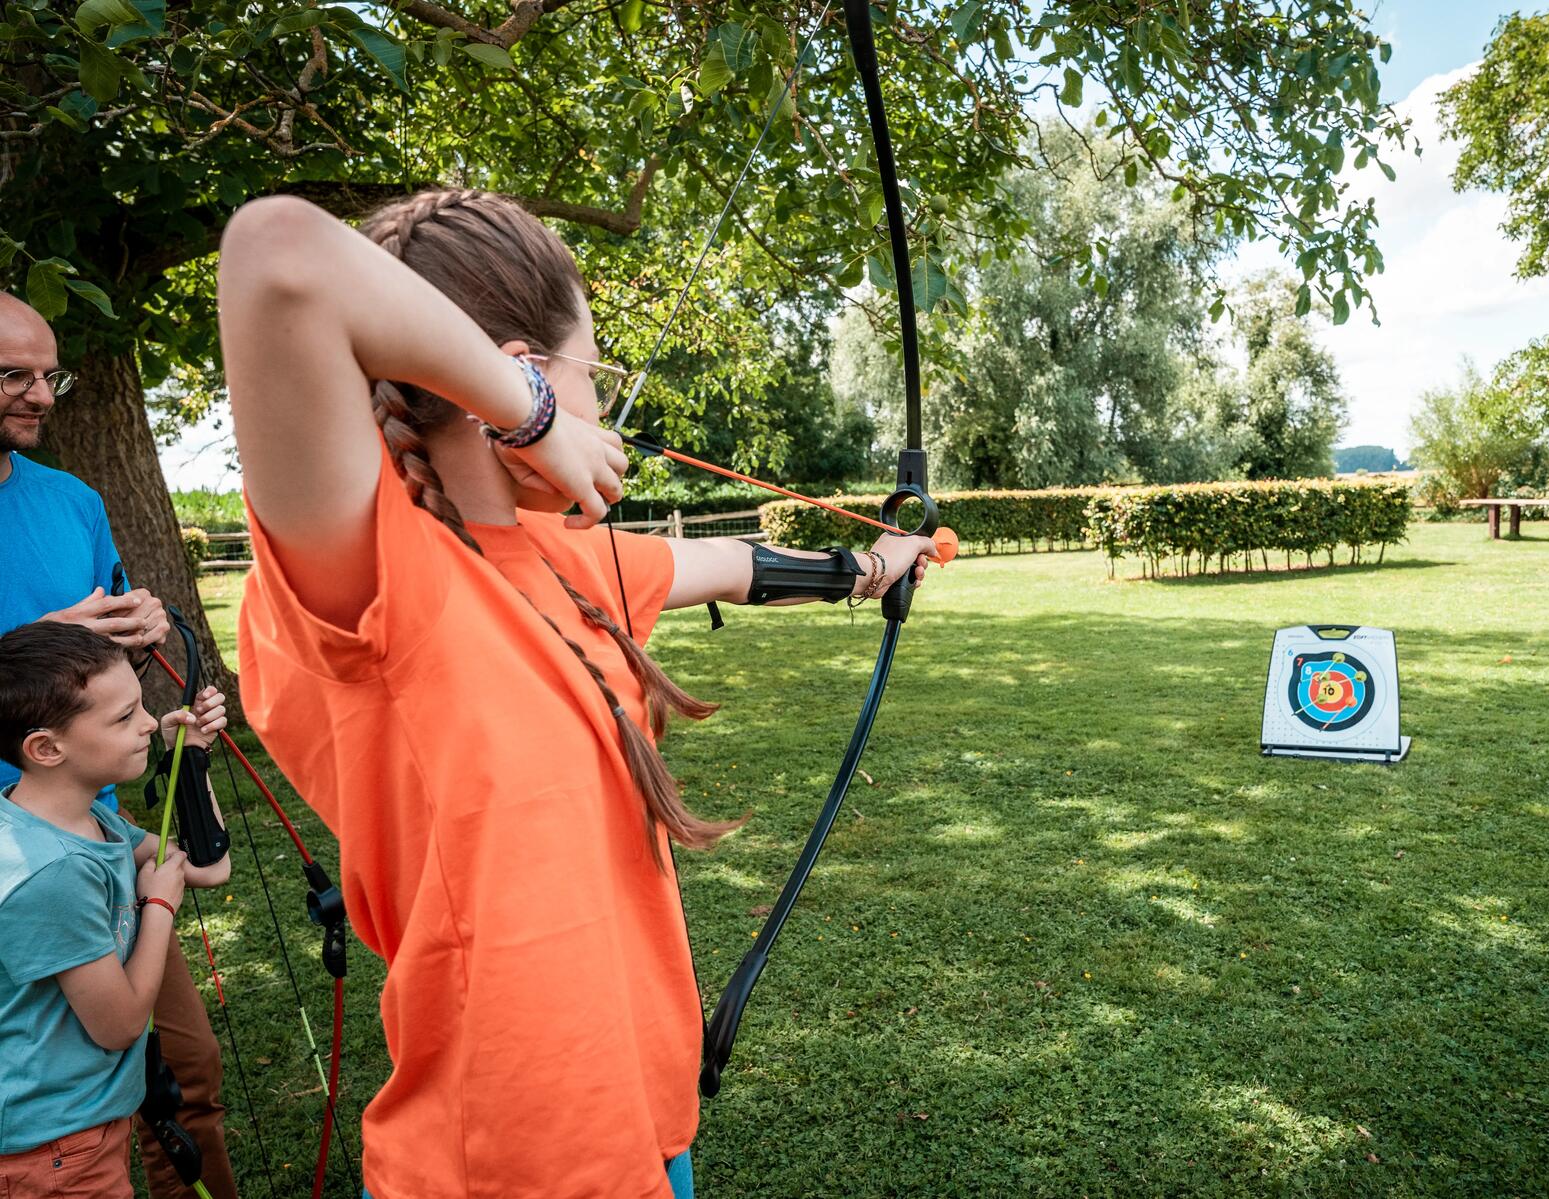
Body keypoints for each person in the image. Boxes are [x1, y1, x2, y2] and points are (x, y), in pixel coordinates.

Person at [216, 188, 938, 1199]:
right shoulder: (376, 582)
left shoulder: (563, 559)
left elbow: (733, 564)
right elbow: (278, 252)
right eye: (587, 378)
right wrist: (537, 414)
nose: (598, 412)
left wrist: (868, 565)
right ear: (521, 368)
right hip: (507, 1165)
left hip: (644, 1129)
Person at [0, 292, 241, 1199]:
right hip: (17, 867)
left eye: (48, 374)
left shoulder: (72, 501)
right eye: (13, 377)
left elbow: (98, 666)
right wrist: (40, 630)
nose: (41, 396)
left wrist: (135, 629)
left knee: (183, 1074)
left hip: (95, 840)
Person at [0, 621, 231, 1198]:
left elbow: (206, 867)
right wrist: (157, 907)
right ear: (47, 748)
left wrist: (192, 760)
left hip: (82, 1128)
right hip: (53, 1150)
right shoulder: (50, 872)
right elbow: (120, 1025)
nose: (150, 722)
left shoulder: (90, 821)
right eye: (125, 717)